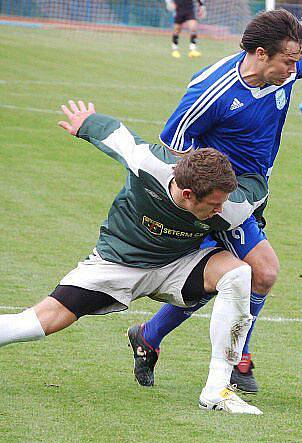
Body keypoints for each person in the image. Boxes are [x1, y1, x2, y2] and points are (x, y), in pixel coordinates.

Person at [128, 9, 302, 393]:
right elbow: (174, 147)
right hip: (220, 200)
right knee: (263, 271)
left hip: (255, 194)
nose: (294, 69)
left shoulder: (287, 64)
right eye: (288, 62)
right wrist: (205, 202)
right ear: (260, 53)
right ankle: (238, 360)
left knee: (219, 280)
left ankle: (149, 337)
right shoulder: (213, 90)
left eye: (295, 61)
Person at [0, 100, 268, 415]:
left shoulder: (232, 206)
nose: (220, 210)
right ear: (186, 195)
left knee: (237, 273)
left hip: (177, 267)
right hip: (117, 264)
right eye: (213, 204)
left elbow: (257, 192)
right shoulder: (148, 164)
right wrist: (86, 123)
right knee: (35, 324)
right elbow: (117, 136)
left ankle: (216, 390)